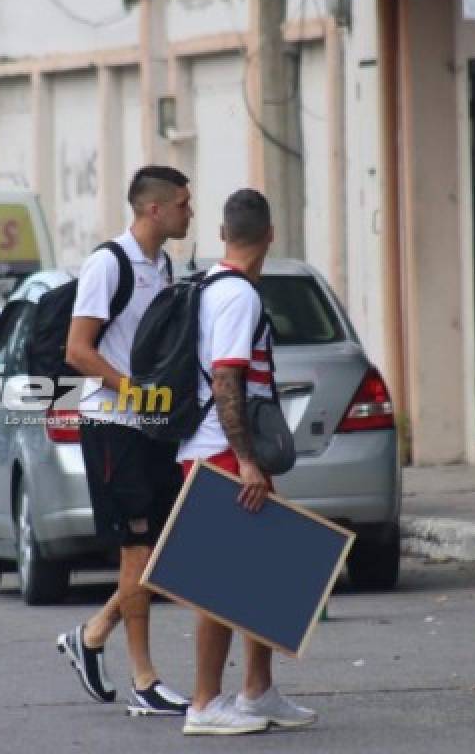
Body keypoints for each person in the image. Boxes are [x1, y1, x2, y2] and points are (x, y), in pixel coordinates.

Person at [177, 188, 316, 736]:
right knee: (221, 579)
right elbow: (227, 379)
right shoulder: (238, 297)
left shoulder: (212, 285)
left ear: (222, 234)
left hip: (227, 447)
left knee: (269, 566)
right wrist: (246, 462)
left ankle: (257, 690)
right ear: (271, 236)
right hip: (222, 449)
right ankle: (204, 703)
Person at [56, 165, 194, 717]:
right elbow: (78, 351)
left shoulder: (164, 264)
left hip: (154, 425)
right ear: (154, 209)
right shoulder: (107, 264)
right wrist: (136, 393)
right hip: (114, 426)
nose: (190, 212)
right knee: (137, 550)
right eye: (184, 203)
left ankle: (92, 633)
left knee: (160, 552)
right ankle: (145, 681)